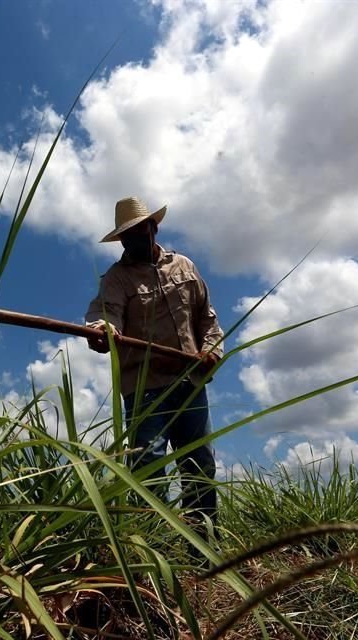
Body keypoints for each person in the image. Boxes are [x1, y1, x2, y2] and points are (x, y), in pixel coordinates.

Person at [85, 196, 224, 528]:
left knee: (200, 462)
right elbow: (105, 313)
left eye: (139, 231)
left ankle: (204, 538)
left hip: (190, 384)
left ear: (154, 228)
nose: (133, 239)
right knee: (147, 464)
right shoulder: (117, 279)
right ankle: (154, 542)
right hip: (145, 389)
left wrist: (211, 352)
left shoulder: (184, 267)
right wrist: (102, 329)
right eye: (126, 235)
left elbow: (207, 320)